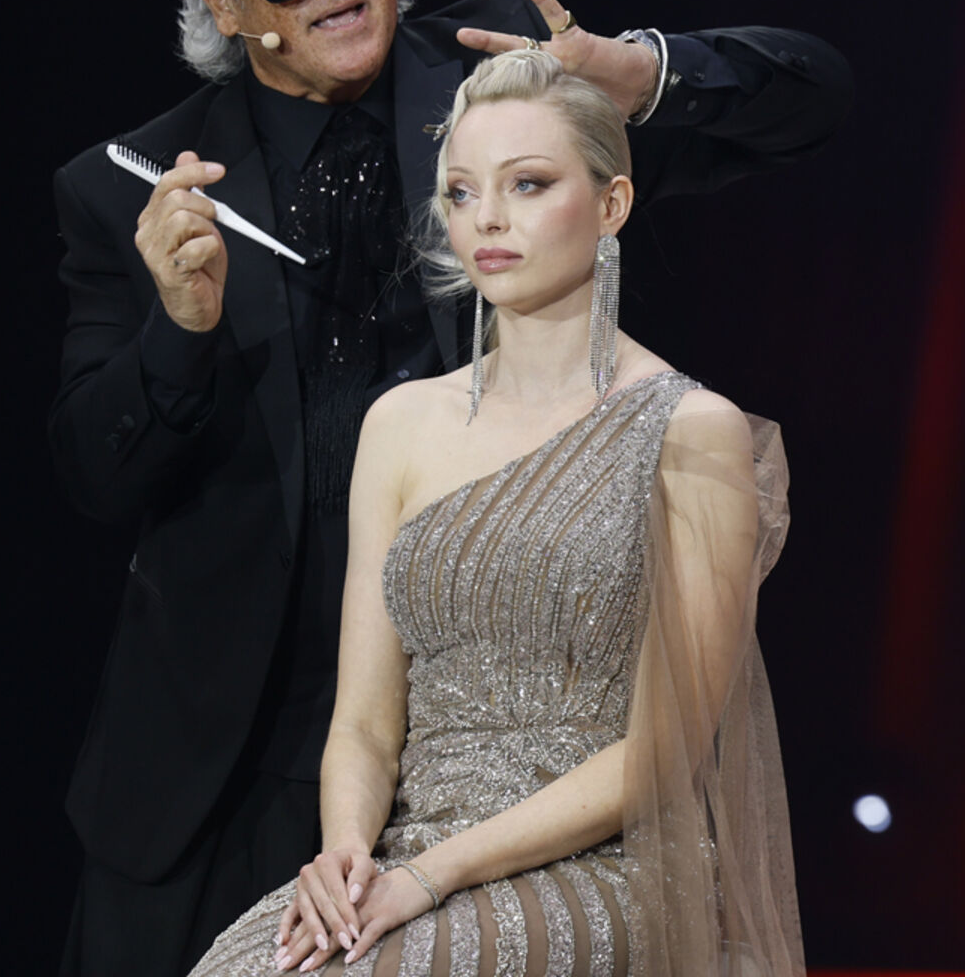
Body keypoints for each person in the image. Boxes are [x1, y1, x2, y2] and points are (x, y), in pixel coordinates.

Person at [50, 0, 845, 975]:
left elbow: (812, 95)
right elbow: (94, 474)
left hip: (492, 769)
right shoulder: (139, 183)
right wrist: (179, 327)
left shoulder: (506, 89)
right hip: (220, 765)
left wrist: (636, 76)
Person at [185, 48, 800, 977]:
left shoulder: (689, 429)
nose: (489, 219)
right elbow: (363, 722)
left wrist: (431, 878)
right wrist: (345, 856)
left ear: (612, 205)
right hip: (410, 852)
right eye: (462, 193)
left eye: (529, 184)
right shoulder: (401, 424)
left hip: (606, 864)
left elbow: (666, 753)